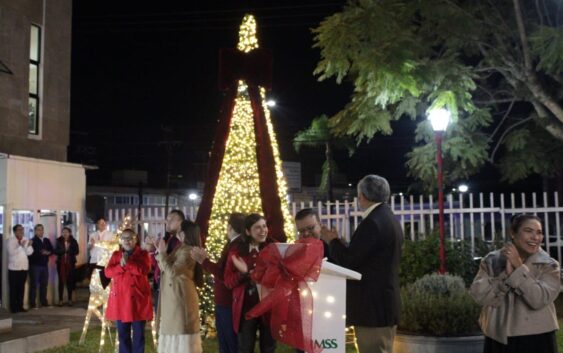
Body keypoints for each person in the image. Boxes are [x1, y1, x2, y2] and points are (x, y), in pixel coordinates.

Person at [321, 175, 403, 353]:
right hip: (381, 305)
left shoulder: (372, 222)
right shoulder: (386, 217)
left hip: (373, 308)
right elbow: (364, 256)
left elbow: (350, 261)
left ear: (362, 196)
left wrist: (333, 242)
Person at [470, 214, 560, 353]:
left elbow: (538, 300)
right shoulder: (492, 260)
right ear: (513, 233)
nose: (535, 237)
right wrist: (505, 275)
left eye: (539, 232)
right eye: (528, 231)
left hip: (537, 338)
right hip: (498, 337)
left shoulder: (549, 265)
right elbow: (480, 296)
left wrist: (518, 268)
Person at [190, 213, 245, 353]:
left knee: (229, 342)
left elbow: (224, 275)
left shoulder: (236, 246)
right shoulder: (234, 244)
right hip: (225, 301)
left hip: (228, 301)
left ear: (230, 227)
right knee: (226, 341)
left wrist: (204, 261)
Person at [224, 213, 276, 353]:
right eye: (257, 228)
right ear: (247, 231)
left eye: (264, 226)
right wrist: (243, 273)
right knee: (245, 347)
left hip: (268, 307)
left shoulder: (273, 248)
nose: (263, 230)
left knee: (269, 347)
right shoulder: (236, 252)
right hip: (246, 309)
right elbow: (228, 282)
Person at [156, 220, 203, 353]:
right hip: (174, 297)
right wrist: (161, 253)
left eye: (180, 229)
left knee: (181, 335)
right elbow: (165, 267)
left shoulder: (188, 250)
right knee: (173, 333)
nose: (177, 232)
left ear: (184, 233)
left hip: (180, 298)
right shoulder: (181, 247)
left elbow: (172, 272)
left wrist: (162, 254)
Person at [105, 229, 153, 353]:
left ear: (135, 239)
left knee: (138, 337)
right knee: (123, 336)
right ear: (120, 240)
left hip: (138, 301)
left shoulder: (143, 254)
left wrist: (128, 263)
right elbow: (108, 272)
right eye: (124, 238)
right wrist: (120, 266)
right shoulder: (116, 255)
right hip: (121, 302)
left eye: (130, 238)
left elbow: (144, 270)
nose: (127, 241)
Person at [152, 209, 186, 313]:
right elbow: (156, 265)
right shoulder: (167, 239)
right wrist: (154, 251)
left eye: (171, 219)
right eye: (167, 219)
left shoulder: (183, 243)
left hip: (172, 288)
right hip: (160, 285)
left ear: (180, 222)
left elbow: (173, 268)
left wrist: (162, 253)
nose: (167, 222)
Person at [7, 224, 34, 313]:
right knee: (13, 289)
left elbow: (30, 253)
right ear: (15, 231)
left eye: (22, 230)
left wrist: (29, 245)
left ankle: (20, 306)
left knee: (21, 288)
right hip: (14, 268)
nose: (21, 231)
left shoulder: (25, 239)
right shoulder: (10, 241)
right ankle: (13, 307)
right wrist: (20, 246)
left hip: (24, 268)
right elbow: (11, 253)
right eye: (19, 230)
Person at [28, 224, 54, 309]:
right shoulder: (32, 240)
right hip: (35, 266)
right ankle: (32, 303)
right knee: (34, 285)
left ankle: (43, 302)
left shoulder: (46, 240)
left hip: (44, 265)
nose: (41, 231)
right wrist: (41, 253)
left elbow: (52, 250)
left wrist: (48, 253)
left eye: (42, 229)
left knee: (44, 284)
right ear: (35, 231)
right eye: (39, 230)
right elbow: (30, 254)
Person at [54, 227, 79, 306]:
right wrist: (64, 250)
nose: (65, 234)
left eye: (66, 232)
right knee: (61, 282)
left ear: (70, 233)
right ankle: (60, 300)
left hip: (70, 264)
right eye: (63, 232)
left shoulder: (73, 241)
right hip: (60, 264)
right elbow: (55, 251)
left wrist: (68, 250)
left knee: (70, 282)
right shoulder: (58, 241)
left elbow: (77, 251)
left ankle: (70, 299)